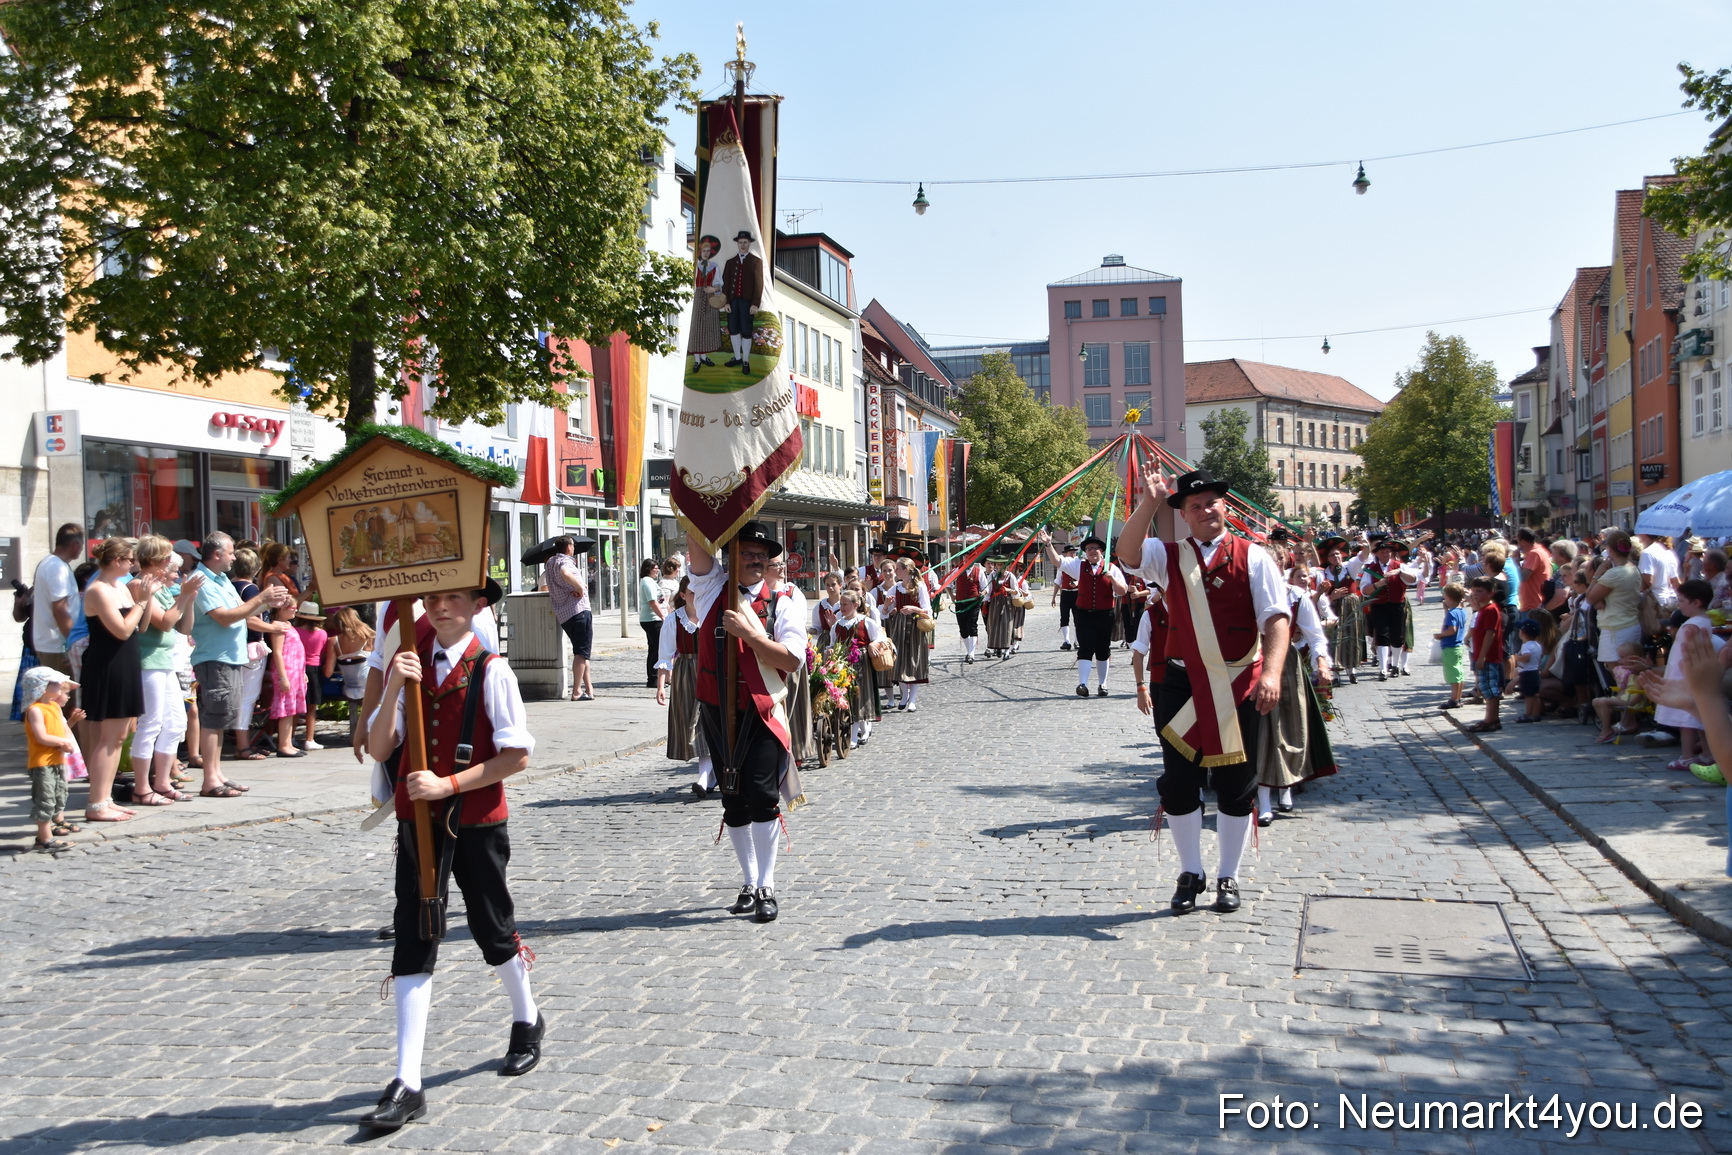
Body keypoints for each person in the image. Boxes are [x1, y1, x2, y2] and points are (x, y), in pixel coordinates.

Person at [361, 578, 541, 1131]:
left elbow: (516, 757)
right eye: (433, 599)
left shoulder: (492, 669)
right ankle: (407, 1079)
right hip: (419, 823)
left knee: (492, 928)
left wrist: (449, 785)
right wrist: (395, 687)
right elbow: (379, 747)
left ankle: (527, 1019)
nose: (440, 608)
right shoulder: (409, 660)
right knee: (416, 931)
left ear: (476, 608)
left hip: (477, 820)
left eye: (454, 599)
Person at [1116, 467, 1291, 916]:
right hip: (1179, 684)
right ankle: (1190, 871)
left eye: (1211, 502)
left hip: (1237, 684)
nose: (1204, 510)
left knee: (1236, 784)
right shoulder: (1166, 554)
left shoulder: (1254, 558)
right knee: (1179, 783)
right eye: (1194, 506)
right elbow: (1127, 552)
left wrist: (1271, 674)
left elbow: (1275, 619)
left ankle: (1228, 875)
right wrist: (1150, 501)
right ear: (1185, 515)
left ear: (1225, 508)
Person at [686, 521, 806, 923]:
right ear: (731, 557)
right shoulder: (709, 592)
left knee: (762, 797)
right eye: (747, 553)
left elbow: (790, 660)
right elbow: (697, 544)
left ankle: (768, 884)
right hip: (718, 710)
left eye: (761, 556)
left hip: (761, 711)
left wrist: (748, 635)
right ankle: (750, 880)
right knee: (733, 800)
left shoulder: (782, 602)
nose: (756, 561)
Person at [191, 532, 294, 798]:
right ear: (217, 554)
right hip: (215, 658)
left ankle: (217, 774)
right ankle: (210, 780)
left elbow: (244, 613)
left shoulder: (222, 579)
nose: (234, 557)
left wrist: (269, 603)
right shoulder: (201, 581)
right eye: (230, 552)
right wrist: (261, 600)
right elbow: (224, 618)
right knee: (214, 719)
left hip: (232, 657)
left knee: (223, 718)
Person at [1254, 545, 1336, 827]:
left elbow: (1315, 635)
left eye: (1272, 562)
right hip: (1251, 662)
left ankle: (1286, 787)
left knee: (1289, 727)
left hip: (1285, 664)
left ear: (1282, 564)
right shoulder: (1245, 593)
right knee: (1259, 731)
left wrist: (1322, 664)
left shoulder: (1296, 596)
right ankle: (1264, 800)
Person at [79, 537, 155, 822]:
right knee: (108, 738)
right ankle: (96, 802)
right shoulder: (98, 589)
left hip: (125, 663)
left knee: (120, 736)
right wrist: (142, 601)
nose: (133, 564)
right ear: (116, 561)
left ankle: (105, 799)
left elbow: (141, 626)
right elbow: (122, 630)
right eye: (129, 559)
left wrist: (145, 601)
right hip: (107, 665)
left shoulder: (120, 586)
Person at [130, 536, 204, 803]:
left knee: (176, 723)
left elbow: (184, 628)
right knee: (151, 723)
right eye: (172, 566)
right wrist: (183, 597)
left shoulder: (160, 588)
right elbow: (163, 623)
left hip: (165, 661)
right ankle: (142, 788)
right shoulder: (140, 584)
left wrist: (190, 599)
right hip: (147, 661)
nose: (177, 573)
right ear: (159, 562)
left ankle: (162, 782)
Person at [1040, 532, 1128, 698]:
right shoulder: (1078, 565)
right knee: (1085, 648)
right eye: (1088, 549)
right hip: (1084, 615)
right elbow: (1057, 561)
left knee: (1103, 650)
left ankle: (1103, 684)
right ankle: (1083, 684)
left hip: (1104, 615)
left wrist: (1113, 580)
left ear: (1101, 551)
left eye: (1095, 548)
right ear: (1085, 553)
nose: (1092, 551)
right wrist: (1048, 545)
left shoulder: (1111, 568)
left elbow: (1122, 591)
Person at [1655, 580, 1726, 771]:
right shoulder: (1705, 622)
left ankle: (1687, 756)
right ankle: (1708, 754)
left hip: (1684, 676)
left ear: (1696, 602)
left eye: (1682, 600)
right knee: (1700, 719)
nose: (1679, 604)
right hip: (1692, 675)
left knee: (1686, 721)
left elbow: (1686, 652)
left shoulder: (1690, 626)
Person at [229, 547, 282, 760]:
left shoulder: (230, 586)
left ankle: (241, 742)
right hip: (251, 647)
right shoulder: (250, 589)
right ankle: (243, 746)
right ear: (256, 568)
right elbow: (250, 619)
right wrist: (274, 628)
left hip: (235, 646)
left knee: (239, 697)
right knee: (247, 698)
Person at [22, 667, 83, 850]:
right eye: (56, 684)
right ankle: (44, 839)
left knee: (58, 795)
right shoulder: (35, 710)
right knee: (45, 799)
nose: (60, 687)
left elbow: (62, 729)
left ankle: (53, 827)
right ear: (43, 687)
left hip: (57, 761)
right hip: (42, 763)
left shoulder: (54, 706)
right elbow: (42, 736)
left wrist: (68, 737)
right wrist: (62, 742)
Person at [654, 577, 706, 789]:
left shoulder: (711, 615)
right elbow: (665, 655)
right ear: (683, 596)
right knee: (691, 722)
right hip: (686, 674)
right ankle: (707, 776)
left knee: (709, 722)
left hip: (711, 671)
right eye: (692, 592)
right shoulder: (674, 619)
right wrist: (660, 686)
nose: (697, 596)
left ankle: (705, 778)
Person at [826, 588, 883, 748]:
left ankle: (857, 734)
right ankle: (859, 729)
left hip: (861, 663)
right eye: (841, 604)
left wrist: (873, 643)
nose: (842, 608)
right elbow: (832, 644)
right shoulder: (837, 625)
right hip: (843, 664)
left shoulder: (866, 622)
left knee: (859, 695)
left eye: (845, 604)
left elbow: (879, 637)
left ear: (855, 604)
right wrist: (829, 650)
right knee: (848, 697)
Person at [1586, 529, 1643, 673]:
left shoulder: (1614, 574)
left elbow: (1589, 597)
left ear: (1609, 550)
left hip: (1615, 628)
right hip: (1629, 623)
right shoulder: (1633, 568)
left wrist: (1597, 573)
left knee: (1619, 673)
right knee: (1629, 673)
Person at [544, 537, 593, 701]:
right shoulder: (565, 562)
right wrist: (579, 587)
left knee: (583, 652)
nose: (574, 548)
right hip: (578, 610)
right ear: (569, 547)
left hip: (564, 614)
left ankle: (589, 688)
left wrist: (577, 585)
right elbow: (565, 573)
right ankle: (577, 691)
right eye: (573, 545)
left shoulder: (550, 562)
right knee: (581, 653)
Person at [31, 523, 84, 677]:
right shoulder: (56, 568)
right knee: (64, 698)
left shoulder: (52, 563)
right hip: (58, 647)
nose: (81, 550)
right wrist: (73, 644)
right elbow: (60, 610)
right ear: (75, 545)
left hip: (53, 644)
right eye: (81, 545)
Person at [885, 556, 932, 711]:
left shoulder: (920, 587)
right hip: (899, 626)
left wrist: (913, 609)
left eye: (897, 568)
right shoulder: (896, 588)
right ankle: (904, 695)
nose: (895, 572)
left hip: (915, 627)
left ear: (905, 570)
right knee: (900, 662)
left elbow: (927, 610)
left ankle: (912, 699)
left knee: (914, 661)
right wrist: (887, 607)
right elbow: (884, 611)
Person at [1317, 537, 1364, 683]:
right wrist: (1332, 596)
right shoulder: (1323, 573)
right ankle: (1336, 673)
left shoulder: (1349, 567)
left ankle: (1352, 670)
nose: (1336, 557)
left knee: (1351, 635)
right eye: (1332, 555)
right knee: (1334, 638)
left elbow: (1362, 557)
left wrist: (1365, 545)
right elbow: (1320, 596)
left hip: (1350, 606)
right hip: (1332, 608)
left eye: (1338, 554)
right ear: (1327, 558)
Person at [267, 598, 308, 758]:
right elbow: (277, 651)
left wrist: (302, 672)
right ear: (281, 609)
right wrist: (283, 677)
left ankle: (288, 742)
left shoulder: (288, 625)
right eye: (291, 607)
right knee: (286, 708)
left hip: (295, 671)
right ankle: (283, 744)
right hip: (287, 671)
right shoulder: (278, 626)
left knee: (292, 708)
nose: (295, 610)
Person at [328, 606, 376, 744]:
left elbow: (328, 672)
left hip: (349, 687)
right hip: (369, 685)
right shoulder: (370, 637)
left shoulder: (334, 640)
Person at [1465, 577, 1505, 733]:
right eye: (1473, 590)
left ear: (1491, 593)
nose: (1475, 594)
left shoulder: (1490, 610)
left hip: (1488, 656)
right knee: (1484, 687)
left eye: (1479, 591)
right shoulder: (1483, 609)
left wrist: (1482, 656)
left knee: (1490, 688)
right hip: (1482, 655)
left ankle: (1491, 719)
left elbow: (1490, 634)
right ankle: (1491, 719)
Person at [721, 230, 764, 375]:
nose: (743, 245)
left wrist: (755, 303)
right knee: (733, 328)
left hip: (747, 302)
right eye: (740, 243)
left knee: (746, 330)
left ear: (749, 243)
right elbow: (725, 284)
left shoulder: (755, 262)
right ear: (737, 244)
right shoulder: (730, 262)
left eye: (745, 242)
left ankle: (746, 360)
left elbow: (759, 285)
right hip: (733, 302)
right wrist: (725, 301)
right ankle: (737, 357)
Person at [292, 601, 333, 751]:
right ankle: (310, 738)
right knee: (312, 706)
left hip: (297, 668)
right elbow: (322, 653)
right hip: (314, 668)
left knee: (295, 705)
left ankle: (290, 736)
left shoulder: (294, 631)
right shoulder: (322, 634)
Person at [688, 234, 724, 371]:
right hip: (698, 297)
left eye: (708, 251)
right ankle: (697, 360)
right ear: (700, 252)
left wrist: (713, 288)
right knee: (697, 328)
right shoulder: (695, 266)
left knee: (707, 328)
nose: (706, 253)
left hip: (709, 298)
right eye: (704, 251)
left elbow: (719, 284)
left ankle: (703, 357)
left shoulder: (714, 266)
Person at [1436, 583, 1470, 711]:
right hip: (1459, 646)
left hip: (1450, 646)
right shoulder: (1461, 610)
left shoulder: (1452, 614)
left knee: (1453, 674)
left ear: (1449, 597)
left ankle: (1454, 699)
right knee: (1459, 672)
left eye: (1445, 597)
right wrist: (1446, 609)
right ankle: (1458, 697)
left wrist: (1440, 635)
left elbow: (1452, 630)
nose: (1444, 600)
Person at [949, 554, 988, 664]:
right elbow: (947, 583)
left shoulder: (978, 571)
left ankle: (971, 653)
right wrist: (952, 596)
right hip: (960, 602)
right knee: (962, 628)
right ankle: (968, 651)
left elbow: (985, 587)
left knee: (972, 625)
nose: (968, 560)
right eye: (966, 558)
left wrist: (982, 593)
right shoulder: (957, 570)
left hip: (974, 602)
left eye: (970, 558)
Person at [638, 558, 666, 689]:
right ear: (648, 569)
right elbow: (652, 601)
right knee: (657, 649)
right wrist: (662, 616)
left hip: (652, 618)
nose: (657, 570)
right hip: (652, 619)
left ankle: (653, 678)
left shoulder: (650, 581)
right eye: (655, 568)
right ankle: (653, 678)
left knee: (653, 649)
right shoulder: (647, 582)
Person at [1512, 620, 1546, 723]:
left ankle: (1528, 714)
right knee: (1535, 694)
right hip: (1535, 671)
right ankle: (1536, 713)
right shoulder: (1538, 645)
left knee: (1528, 696)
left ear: (1523, 633)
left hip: (1527, 672)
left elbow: (1527, 657)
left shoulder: (1526, 646)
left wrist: (1518, 658)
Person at [1638, 533, 1680, 608]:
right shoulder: (1668, 552)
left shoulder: (1647, 553)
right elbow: (1675, 582)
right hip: (1669, 602)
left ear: (1644, 534)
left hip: (1654, 604)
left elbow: (1648, 582)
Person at [1516, 528, 1550, 617]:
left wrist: (1516, 561)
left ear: (1522, 541)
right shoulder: (1540, 550)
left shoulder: (1534, 553)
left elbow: (1523, 577)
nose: (1518, 545)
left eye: (1518, 541)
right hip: (1535, 601)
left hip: (1531, 604)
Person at [1054, 543, 1079, 650]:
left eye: (1074, 552)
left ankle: (1077, 641)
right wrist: (1053, 597)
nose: (1073, 554)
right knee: (1064, 617)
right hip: (1065, 593)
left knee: (1078, 618)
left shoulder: (1079, 563)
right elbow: (1058, 581)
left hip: (1077, 593)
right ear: (1066, 554)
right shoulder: (1062, 566)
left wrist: (1077, 583)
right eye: (1070, 552)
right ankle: (1066, 641)